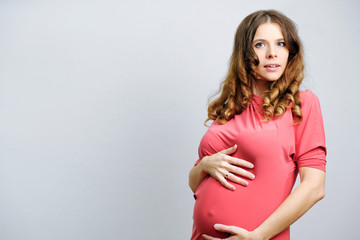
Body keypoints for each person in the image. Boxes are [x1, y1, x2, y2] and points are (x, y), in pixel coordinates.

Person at [188, 10, 326, 240]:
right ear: (244, 52)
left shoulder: (302, 104)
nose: (272, 54)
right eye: (260, 44)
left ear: (290, 51)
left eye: (281, 44)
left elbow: (314, 187)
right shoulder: (230, 105)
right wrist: (204, 165)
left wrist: (257, 236)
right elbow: (195, 185)